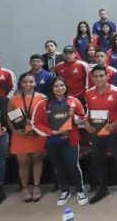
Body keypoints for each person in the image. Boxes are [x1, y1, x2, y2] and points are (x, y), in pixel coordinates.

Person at [31, 77, 88, 207]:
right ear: (51, 88)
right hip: (52, 141)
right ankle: (65, 190)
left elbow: (82, 120)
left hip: (70, 140)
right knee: (58, 166)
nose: (60, 88)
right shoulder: (43, 104)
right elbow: (35, 123)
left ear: (66, 86)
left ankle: (80, 190)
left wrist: (73, 116)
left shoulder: (74, 101)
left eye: (62, 85)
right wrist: (50, 131)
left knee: (73, 165)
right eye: (56, 86)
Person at [83, 66, 117, 206]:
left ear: (107, 76)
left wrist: (115, 123)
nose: (98, 79)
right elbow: (88, 110)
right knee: (98, 161)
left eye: (101, 76)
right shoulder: (89, 93)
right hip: (97, 133)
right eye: (95, 76)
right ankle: (102, 189)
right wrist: (86, 122)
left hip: (113, 133)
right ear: (92, 78)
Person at [7, 73, 46, 203]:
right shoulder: (13, 99)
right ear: (20, 84)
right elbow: (9, 117)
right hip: (20, 135)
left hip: (37, 134)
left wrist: (37, 129)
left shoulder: (42, 98)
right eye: (25, 82)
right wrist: (15, 131)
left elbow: (46, 117)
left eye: (31, 82)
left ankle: (36, 187)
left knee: (37, 160)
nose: (28, 84)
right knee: (23, 163)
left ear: (35, 83)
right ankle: (25, 188)